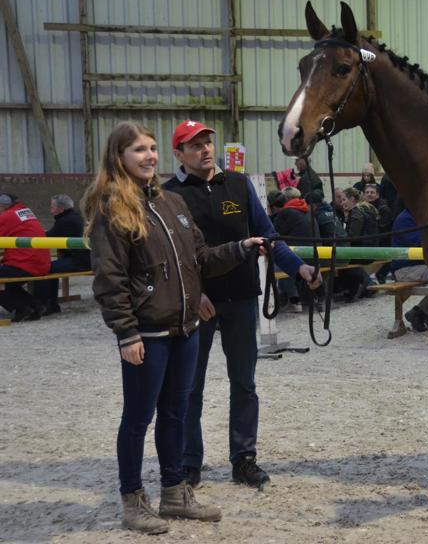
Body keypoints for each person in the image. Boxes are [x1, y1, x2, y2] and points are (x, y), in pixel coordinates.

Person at [85, 121, 265, 533]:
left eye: (151, 148)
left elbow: (198, 259)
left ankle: (174, 492)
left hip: (184, 329)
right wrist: (125, 333)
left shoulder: (171, 204)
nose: (148, 156)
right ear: (119, 158)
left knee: (174, 412)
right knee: (137, 419)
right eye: (138, 150)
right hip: (147, 334)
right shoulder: (113, 209)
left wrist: (240, 248)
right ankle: (132, 499)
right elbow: (109, 281)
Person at [163, 119, 321, 491]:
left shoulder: (238, 185)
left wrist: (299, 268)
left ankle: (244, 458)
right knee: (189, 387)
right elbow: (171, 256)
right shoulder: (169, 196)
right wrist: (194, 293)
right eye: (194, 144)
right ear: (179, 153)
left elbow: (268, 237)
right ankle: (189, 463)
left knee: (244, 384)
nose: (204, 149)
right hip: (195, 306)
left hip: (240, 299)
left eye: (207, 142)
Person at [32, 194, 92, 315]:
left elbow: (47, 238)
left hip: (79, 262)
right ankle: (51, 304)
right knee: (50, 268)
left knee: (44, 269)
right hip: (85, 259)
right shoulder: (74, 217)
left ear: (61, 209)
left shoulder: (65, 221)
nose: (51, 211)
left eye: (52, 208)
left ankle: (46, 305)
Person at [0, 193, 50, 322]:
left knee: (4, 280)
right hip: (38, 263)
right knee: (9, 285)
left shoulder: (8, 216)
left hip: (24, 263)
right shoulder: (24, 213)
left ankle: (22, 308)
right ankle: (35, 306)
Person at [268, 187, 316, 313]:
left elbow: (274, 234)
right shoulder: (306, 209)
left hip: (301, 258)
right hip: (316, 255)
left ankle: (294, 300)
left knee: (281, 262)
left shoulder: (287, 212)